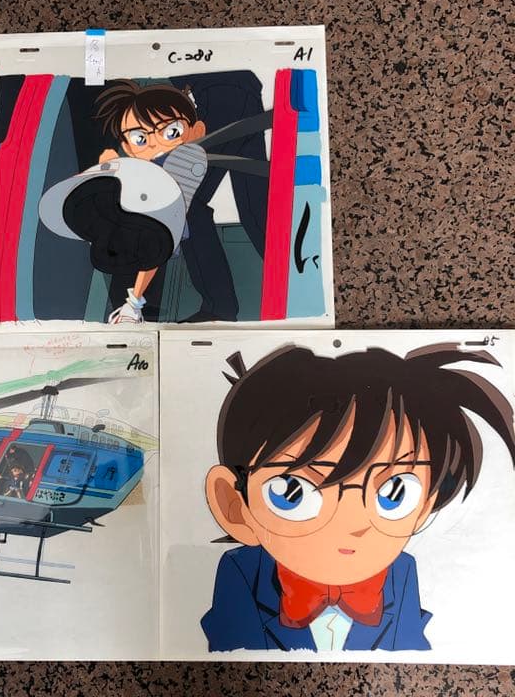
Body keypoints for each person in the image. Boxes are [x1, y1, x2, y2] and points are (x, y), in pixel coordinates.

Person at [201, 344, 515, 652]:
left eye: (394, 492)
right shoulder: (241, 571)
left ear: (425, 507)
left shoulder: (401, 571)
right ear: (234, 506)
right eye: (294, 492)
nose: (350, 525)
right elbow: (227, 656)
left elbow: (408, 648)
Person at [93, 79, 206, 324]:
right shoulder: (144, 165)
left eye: (171, 131)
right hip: (139, 227)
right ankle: (131, 305)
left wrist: (116, 168)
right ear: (127, 145)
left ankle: (133, 305)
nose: (154, 142)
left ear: (196, 131)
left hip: (162, 225)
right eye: (139, 137)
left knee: (151, 253)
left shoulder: (188, 158)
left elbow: (161, 193)